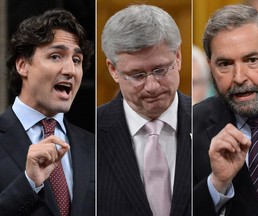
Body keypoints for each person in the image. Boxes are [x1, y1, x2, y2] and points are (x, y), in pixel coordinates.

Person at [193, 4, 258, 216]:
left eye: (251, 60)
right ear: (210, 66)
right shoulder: (190, 126)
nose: (239, 77)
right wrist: (217, 184)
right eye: (225, 64)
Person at [98, 4, 191, 216]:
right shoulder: (88, 135)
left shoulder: (211, 123)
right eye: (137, 75)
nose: (151, 86)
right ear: (113, 70)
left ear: (177, 57)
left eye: (160, 70)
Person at [0, 9, 95, 215]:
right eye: (55, 56)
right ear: (23, 65)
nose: (70, 70)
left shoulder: (96, 147)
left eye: (76, 60)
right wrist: (29, 183)